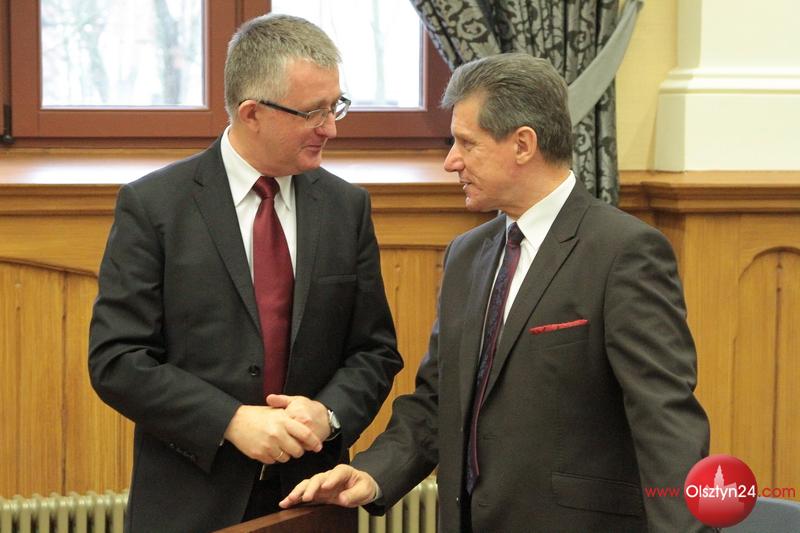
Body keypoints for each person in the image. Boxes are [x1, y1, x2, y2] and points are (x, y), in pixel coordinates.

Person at [280, 53, 711, 532]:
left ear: (523, 144)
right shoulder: (467, 255)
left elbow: (666, 422)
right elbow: (439, 400)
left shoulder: (624, 252)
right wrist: (372, 474)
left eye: (467, 143)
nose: (451, 161)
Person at [88, 14, 402, 533]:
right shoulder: (154, 206)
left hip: (311, 498)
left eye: (336, 105)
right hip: (191, 503)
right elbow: (118, 359)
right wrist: (229, 420)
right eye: (314, 111)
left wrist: (328, 415)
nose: (331, 127)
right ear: (252, 112)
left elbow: (374, 350)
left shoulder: (346, 207)